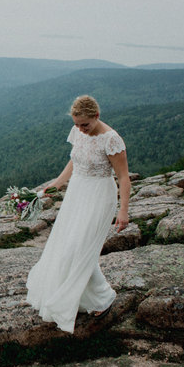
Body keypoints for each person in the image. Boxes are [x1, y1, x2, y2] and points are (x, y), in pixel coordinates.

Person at [25, 95, 130, 333]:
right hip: (77, 192)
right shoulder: (77, 133)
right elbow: (75, 160)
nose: (81, 129)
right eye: (76, 124)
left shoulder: (112, 140)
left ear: (97, 116)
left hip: (99, 195)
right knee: (69, 246)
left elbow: (123, 177)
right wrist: (58, 184)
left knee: (81, 247)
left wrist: (123, 211)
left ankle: (103, 297)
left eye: (85, 125)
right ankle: (90, 297)